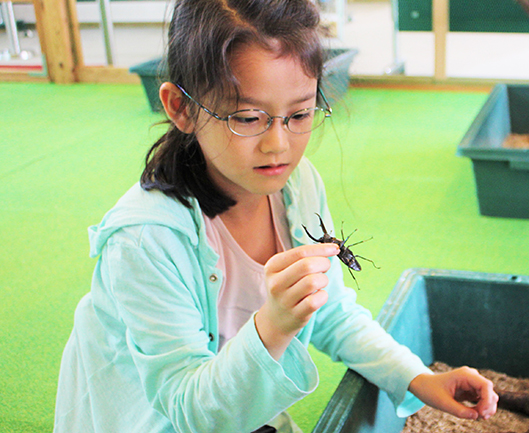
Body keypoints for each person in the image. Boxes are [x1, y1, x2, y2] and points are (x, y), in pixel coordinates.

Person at [53, 0, 498, 431]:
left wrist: (416, 377)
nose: (278, 145)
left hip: (233, 393)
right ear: (180, 108)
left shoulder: (298, 185)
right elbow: (189, 412)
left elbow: (331, 312)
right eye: (248, 118)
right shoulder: (145, 240)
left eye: (300, 113)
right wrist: (274, 323)